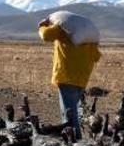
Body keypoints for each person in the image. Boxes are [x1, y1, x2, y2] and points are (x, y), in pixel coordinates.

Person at [38, 11, 101, 139]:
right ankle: (75, 140)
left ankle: (75, 142)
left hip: (66, 76)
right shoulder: (87, 38)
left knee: (68, 114)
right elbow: (96, 57)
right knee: (73, 111)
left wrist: (42, 25)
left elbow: (46, 35)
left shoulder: (61, 28)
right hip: (82, 78)